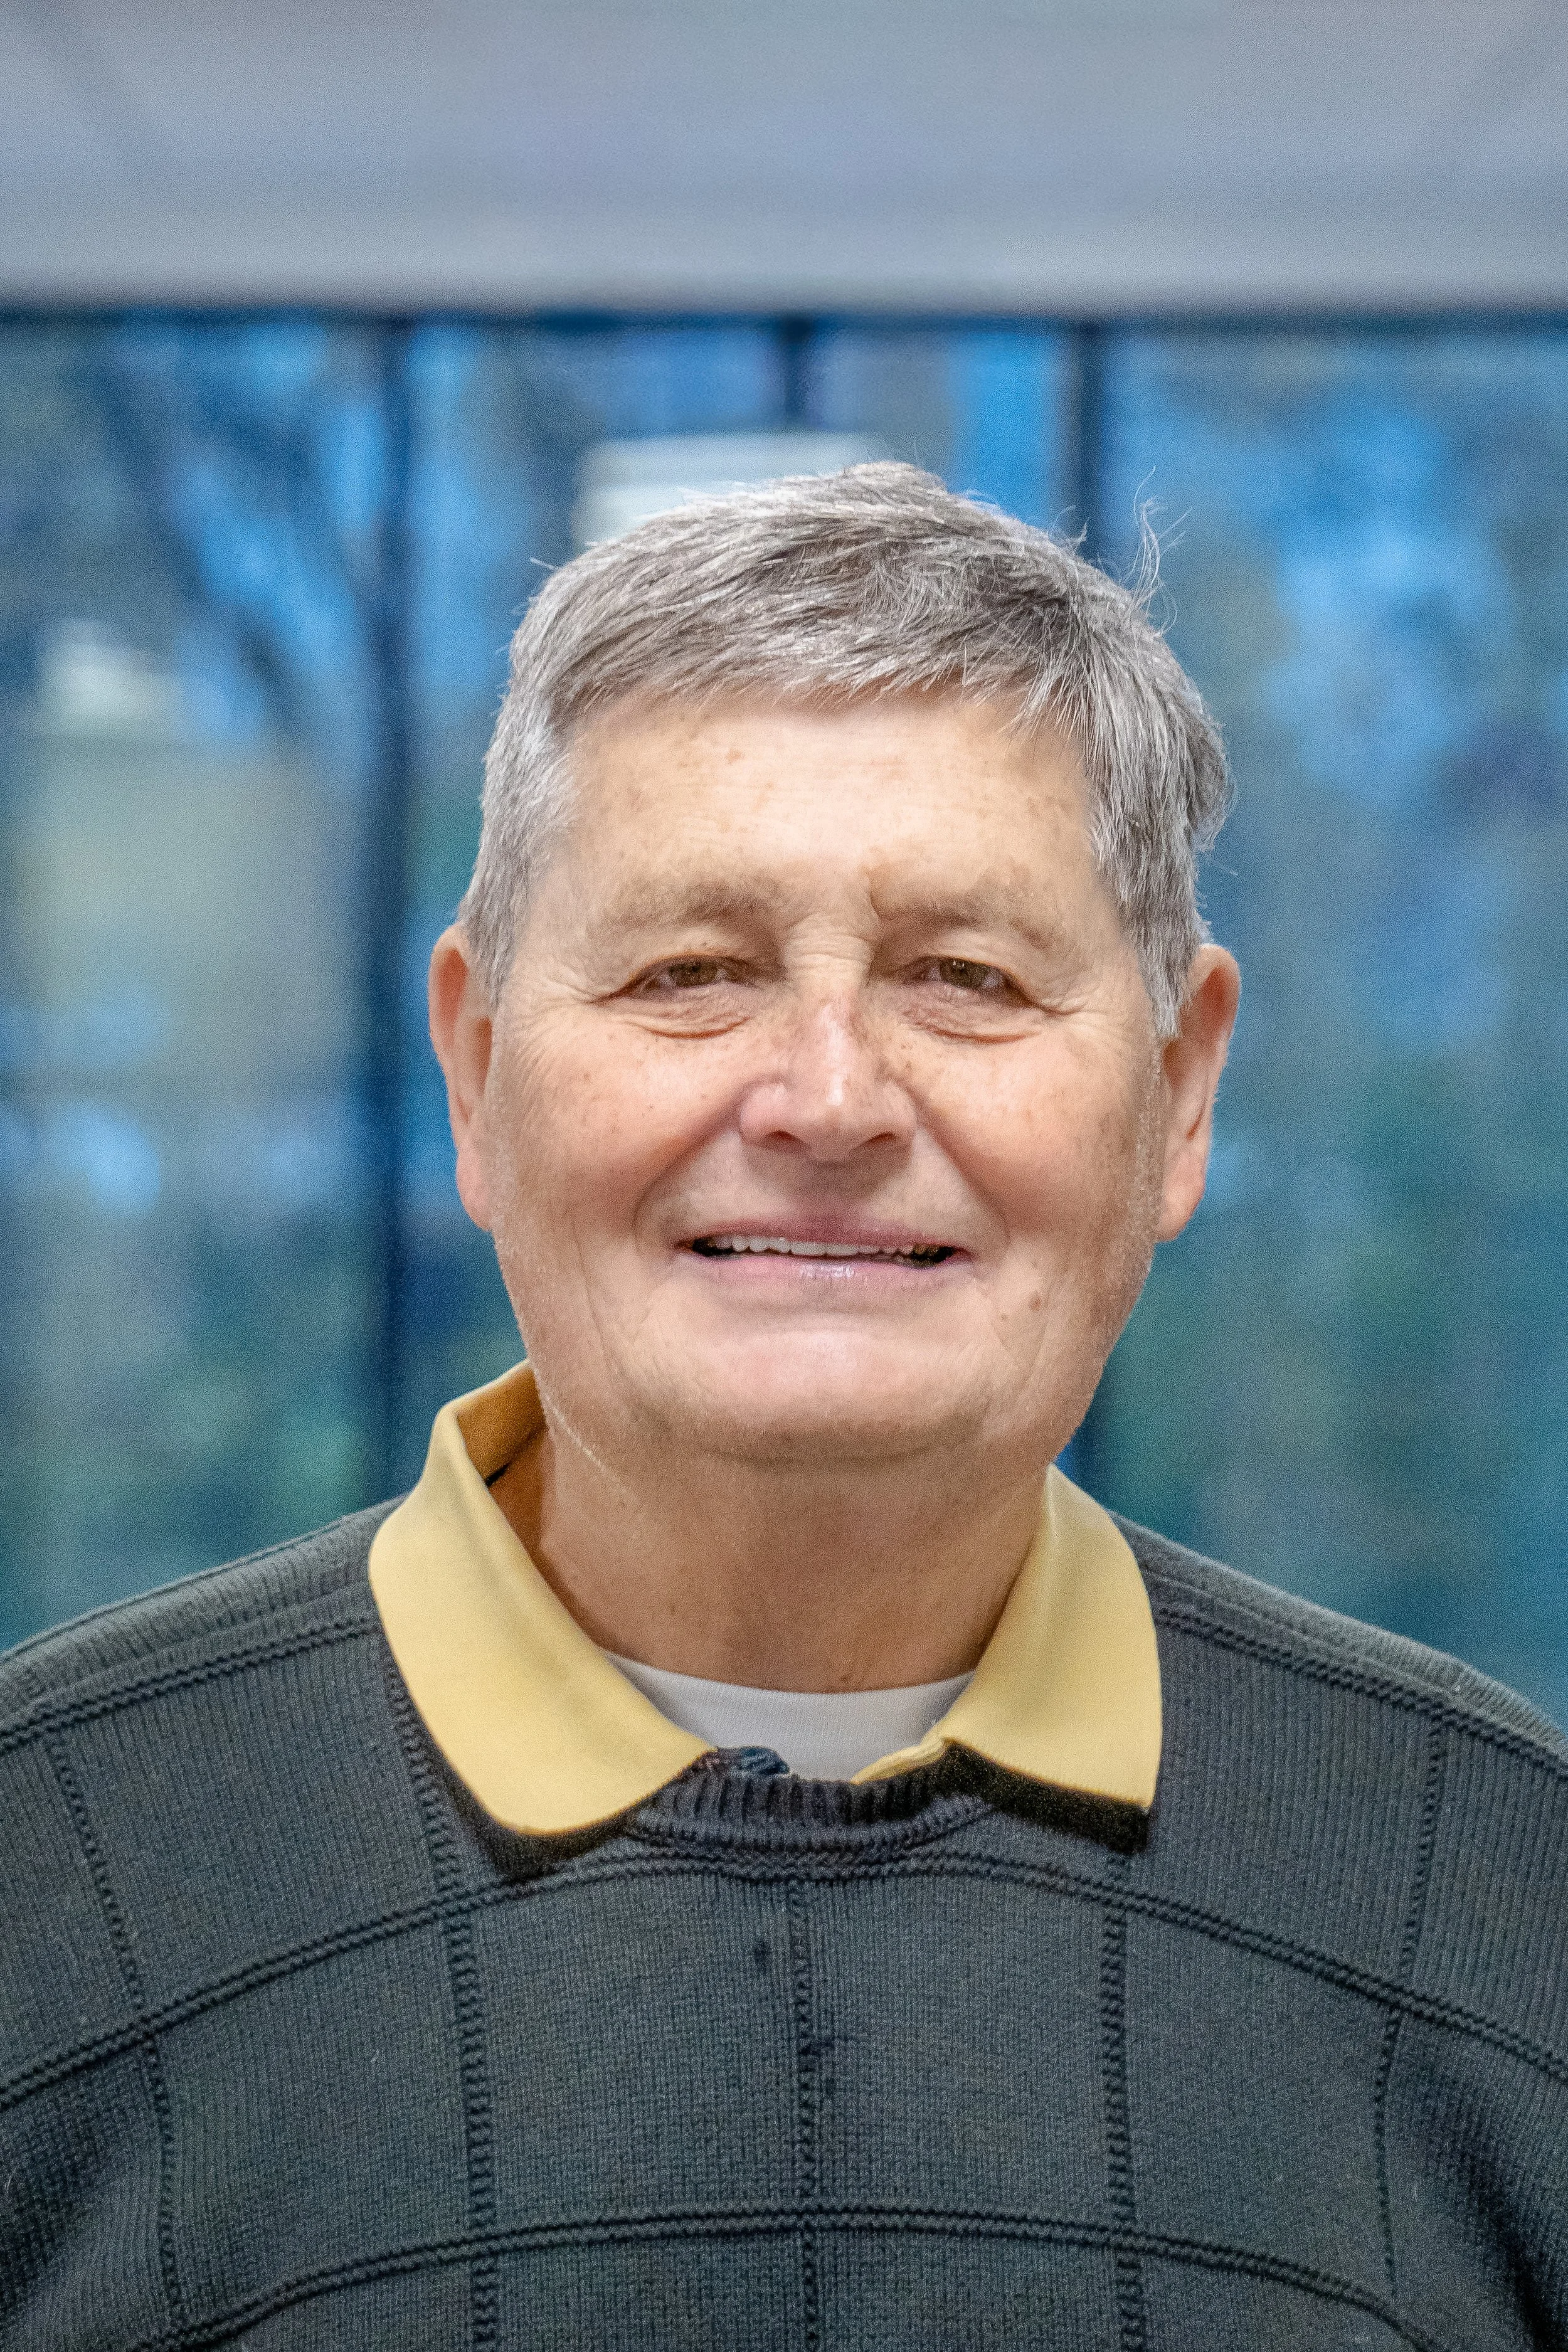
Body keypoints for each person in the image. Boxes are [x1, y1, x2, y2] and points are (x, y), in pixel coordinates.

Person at [3, 465, 1564, 2351]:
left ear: (1177, 1088)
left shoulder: (1495, 1897)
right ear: (480, 1068)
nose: (826, 1099)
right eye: (692, 973)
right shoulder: (48, 1874)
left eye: (966, 978)